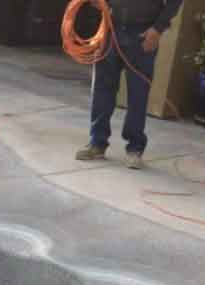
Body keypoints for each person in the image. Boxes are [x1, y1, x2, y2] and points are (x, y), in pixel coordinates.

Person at [76, 0, 184, 169]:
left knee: (138, 93)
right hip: (111, 28)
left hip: (142, 33)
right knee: (102, 89)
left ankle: (135, 149)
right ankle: (97, 142)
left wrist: (157, 29)